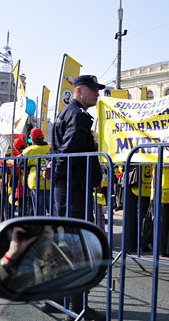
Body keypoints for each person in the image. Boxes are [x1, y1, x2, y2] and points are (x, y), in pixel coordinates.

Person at [44, 75, 104, 320]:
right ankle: (77, 308)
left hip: (66, 185)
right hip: (72, 186)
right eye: (93, 90)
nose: (97, 95)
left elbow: (55, 148)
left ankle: (56, 299)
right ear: (79, 91)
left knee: (63, 241)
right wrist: (57, 171)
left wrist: (52, 168)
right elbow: (69, 150)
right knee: (75, 244)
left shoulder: (65, 113)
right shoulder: (78, 116)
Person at [20, 128, 51, 216]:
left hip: (35, 181)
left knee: (38, 211)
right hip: (50, 180)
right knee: (52, 211)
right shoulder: (51, 148)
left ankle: (40, 228)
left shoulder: (28, 151)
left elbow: (21, 164)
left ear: (32, 140)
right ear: (43, 137)